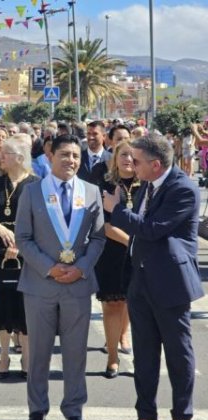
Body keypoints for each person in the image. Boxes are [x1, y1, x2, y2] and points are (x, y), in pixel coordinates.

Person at [104, 135, 203, 420]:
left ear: (156, 165)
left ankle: (181, 416)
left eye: (137, 160)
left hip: (170, 282)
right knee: (144, 354)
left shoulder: (182, 189)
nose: (131, 164)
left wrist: (116, 210)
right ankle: (146, 416)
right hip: (141, 280)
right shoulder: (149, 183)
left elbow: (152, 229)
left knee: (177, 353)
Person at [15, 134, 105, 420]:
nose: (71, 161)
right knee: (38, 352)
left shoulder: (91, 191)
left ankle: (74, 412)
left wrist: (80, 268)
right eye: (65, 155)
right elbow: (23, 238)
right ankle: (37, 411)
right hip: (41, 284)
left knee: (75, 353)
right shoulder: (32, 191)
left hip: (77, 285)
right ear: (50, 157)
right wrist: (49, 267)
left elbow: (98, 238)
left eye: (76, 156)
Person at [0, 134, 38, 380]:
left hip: (26, 251)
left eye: (6, 153)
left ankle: (26, 356)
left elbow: (40, 221)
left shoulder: (36, 184)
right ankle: (4, 355)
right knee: (1, 302)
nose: (0, 157)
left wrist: (20, 243)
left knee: (24, 305)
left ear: (20, 158)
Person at [92, 141, 139, 378]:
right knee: (112, 305)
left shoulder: (147, 185)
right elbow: (105, 224)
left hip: (142, 255)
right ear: (115, 158)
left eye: (132, 155)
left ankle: (135, 350)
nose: (128, 159)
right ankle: (112, 358)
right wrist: (133, 241)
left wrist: (137, 244)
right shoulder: (106, 184)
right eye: (123, 154)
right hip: (111, 253)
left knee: (137, 305)